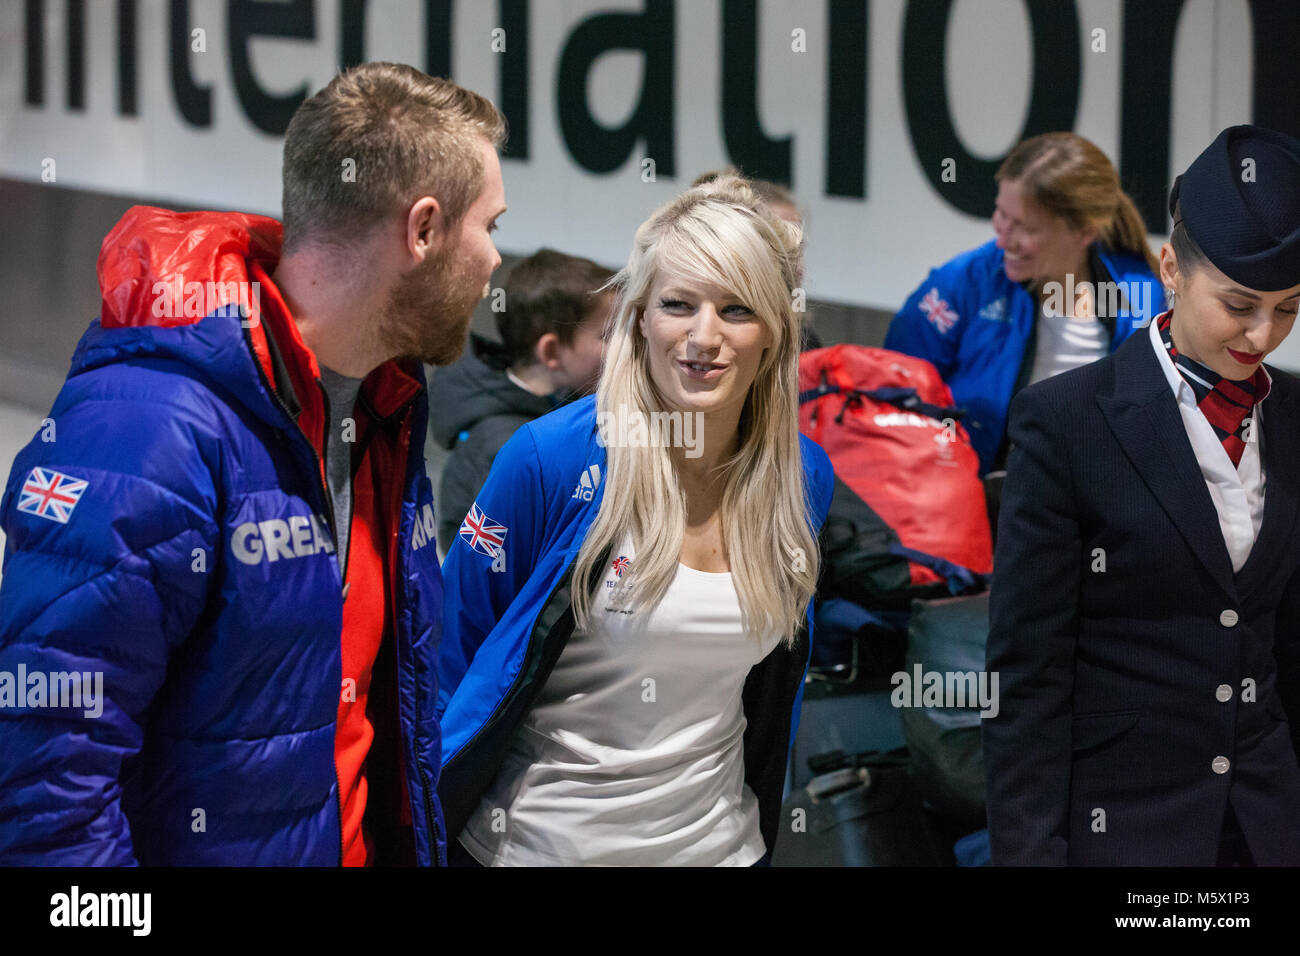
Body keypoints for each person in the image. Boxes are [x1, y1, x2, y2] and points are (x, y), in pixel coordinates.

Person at [0, 62, 506, 866]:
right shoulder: (146, 433)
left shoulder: (389, 405)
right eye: (492, 228)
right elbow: (43, 784)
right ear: (423, 229)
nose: (494, 264)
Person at [435, 175, 835, 866]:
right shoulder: (547, 460)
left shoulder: (800, 477)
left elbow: (769, 698)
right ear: (641, 316)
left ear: (775, 331)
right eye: (678, 305)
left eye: (736, 309)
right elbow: (450, 663)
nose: (702, 337)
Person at [983, 124, 1300, 866]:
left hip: (1265, 822)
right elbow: (1027, 678)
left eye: (1288, 308)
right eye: (1239, 303)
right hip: (1124, 827)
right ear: (1172, 269)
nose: (1262, 334)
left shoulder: (1293, 418)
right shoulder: (1065, 422)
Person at [885, 132, 1165, 476]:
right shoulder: (965, 282)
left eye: (1025, 228)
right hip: (971, 498)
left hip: (1088, 505)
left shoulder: (1138, 297)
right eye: (1001, 214)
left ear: (1084, 232)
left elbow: (1148, 426)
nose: (1003, 239)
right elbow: (892, 391)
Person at [430, 249, 614, 554]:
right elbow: (506, 567)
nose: (624, 347)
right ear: (552, 352)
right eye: (607, 334)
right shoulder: (506, 445)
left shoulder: (555, 412)